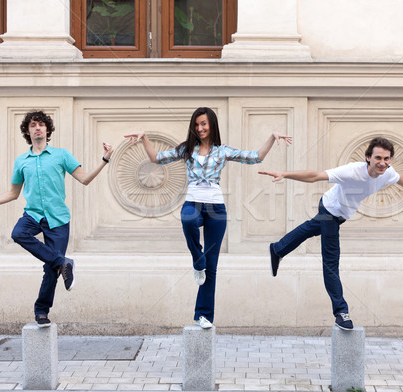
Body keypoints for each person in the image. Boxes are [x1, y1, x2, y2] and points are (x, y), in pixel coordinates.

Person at [125, 107, 292, 329]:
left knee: (211, 266)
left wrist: (272, 137)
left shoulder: (222, 151)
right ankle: (197, 259)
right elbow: (157, 158)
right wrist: (145, 137)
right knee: (188, 221)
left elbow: (255, 157)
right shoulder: (186, 150)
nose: (200, 128)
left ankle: (203, 315)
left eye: (203, 124)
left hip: (216, 207)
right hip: (193, 201)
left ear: (211, 124)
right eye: (197, 124)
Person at [259, 137, 403, 330]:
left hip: (341, 213)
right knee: (331, 261)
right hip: (331, 210)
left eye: (386, 158)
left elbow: (402, 179)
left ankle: (277, 249)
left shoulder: (387, 172)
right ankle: (341, 312)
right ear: (368, 157)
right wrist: (284, 174)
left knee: (310, 228)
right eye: (378, 158)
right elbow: (315, 176)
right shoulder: (352, 171)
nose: (382, 162)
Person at [0, 110, 114, 328]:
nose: (37, 128)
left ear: (47, 130)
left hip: (58, 219)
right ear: (27, 132)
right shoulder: (21, 161)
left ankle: (42, 311)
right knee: (18, 233)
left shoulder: (61, 155)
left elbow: (84, 179)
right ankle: (62, 263)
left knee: (49, 271)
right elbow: (13, 193)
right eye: (33, 125)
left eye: (41, 125)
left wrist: (104, 160)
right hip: (33, 215)